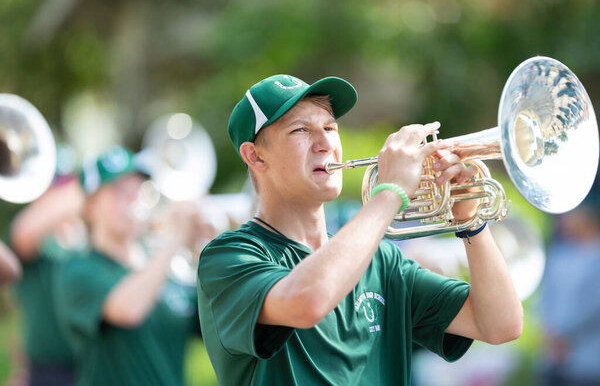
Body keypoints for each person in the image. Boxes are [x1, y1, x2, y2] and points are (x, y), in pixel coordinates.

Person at [197, 74, 523, 385]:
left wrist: (470, 221)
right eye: (301, 130)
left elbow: (500, 324)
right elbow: (308, 301)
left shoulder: (382, 261)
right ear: (255, 156)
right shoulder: (228, 257)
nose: (325, 142)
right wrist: (391, 191)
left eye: (330, 127)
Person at [54, 145, 206, 386]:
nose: (134, 200)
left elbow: (217, 328)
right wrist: (176, 239)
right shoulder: (76, 270)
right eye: (120, 191)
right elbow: (128, 310)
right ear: (91, 207)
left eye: (137, 189)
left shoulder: (172, 268)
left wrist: (214, 252)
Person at [10, 167, 85, 386]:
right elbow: (23, 234)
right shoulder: (34, 239)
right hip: (50, 371)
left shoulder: (84, 235)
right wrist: (87, 187)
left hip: (93, 365)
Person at [539, 190, 600, 386]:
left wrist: (564, 334)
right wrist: (548, 331)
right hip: (554, 358)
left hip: (588, 361)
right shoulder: (561, 252)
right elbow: (546, 296)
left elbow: (594, 306)